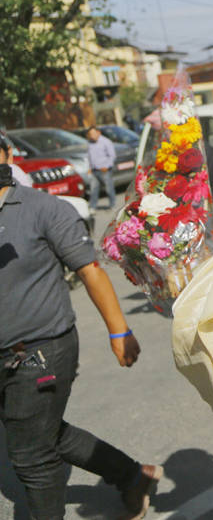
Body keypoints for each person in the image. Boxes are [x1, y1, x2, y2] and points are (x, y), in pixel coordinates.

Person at [0, 164, 160, 520]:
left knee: (31, 457)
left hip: (41, 349)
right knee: (44, 433)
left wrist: (119, 331)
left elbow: (90, 270)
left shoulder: (43, 209)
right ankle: (132, 476)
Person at [85, 125, 116, 211]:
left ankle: (112, 205)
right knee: (93, 189)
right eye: (90, 134)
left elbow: (112, 156)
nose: (92, 136)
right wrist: (90, 167)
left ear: (98, 133)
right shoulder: (90, 143)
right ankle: (92, 207)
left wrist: (106, 166)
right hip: (94, 170)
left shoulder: (106, 142)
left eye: (93, 134)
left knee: (108, 188)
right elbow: (89, 156)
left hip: (104, 170)